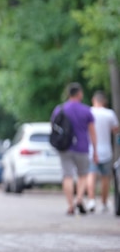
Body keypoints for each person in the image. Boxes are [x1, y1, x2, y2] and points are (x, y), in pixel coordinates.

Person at [51, 83, 97, 215]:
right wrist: (95, 150)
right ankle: (79, 198)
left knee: (67, 176)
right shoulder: (86, 110)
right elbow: (92, 132)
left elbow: (53, 127)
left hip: (64, 147)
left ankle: (70, 205)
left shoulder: (59, 109)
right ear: (79, 94)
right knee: (83, 175)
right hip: (82, 147)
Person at [86, 91, 119, 212]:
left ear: (93, 100)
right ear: (104, 101)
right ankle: (104, 202)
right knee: (105, 177)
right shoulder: (109, 114)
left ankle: (91, 200)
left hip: (91, 150)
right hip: (106, 150)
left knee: (91, 175)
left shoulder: (88, 112)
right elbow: (116, 130)